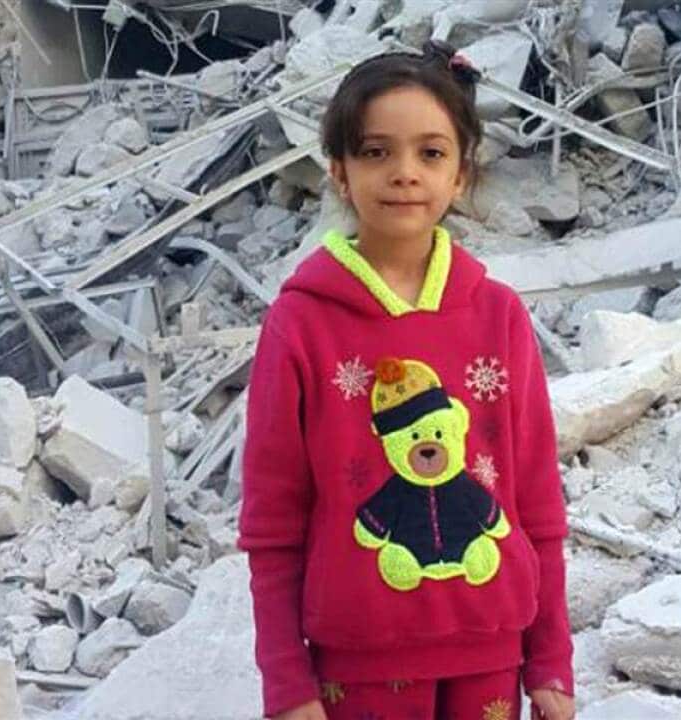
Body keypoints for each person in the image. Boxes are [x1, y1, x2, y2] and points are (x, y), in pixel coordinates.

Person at [237, 41, 575, 720]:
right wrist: (287, 684)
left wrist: (551, 659)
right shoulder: (300, 324)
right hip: (356, 669)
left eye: (431, 153)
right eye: (375, 151)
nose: (404, 173)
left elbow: (537, 500)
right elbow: (272, 523)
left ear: (461, 175)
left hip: (491, 658)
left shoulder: (499, 315)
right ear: (338, 171)